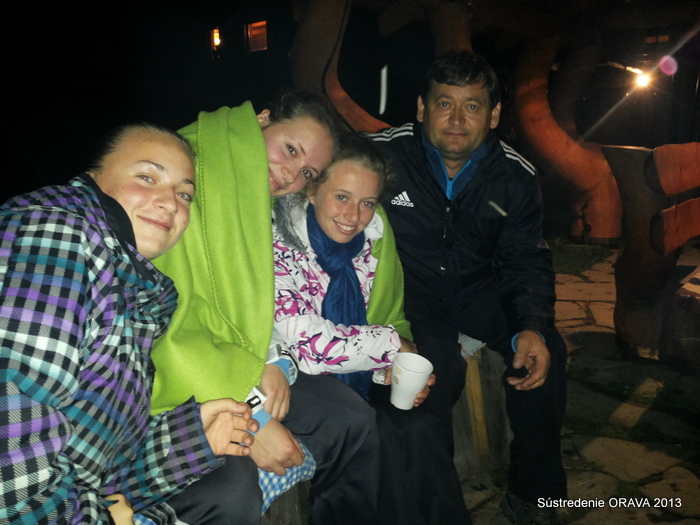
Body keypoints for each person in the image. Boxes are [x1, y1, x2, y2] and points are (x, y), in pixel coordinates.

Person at [0, 124, 257, 524]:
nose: (170, 203)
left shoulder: (132, 292)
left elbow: (96, 469)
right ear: (92, 177)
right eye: (147, 177)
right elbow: (10, 473)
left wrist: (191, 438)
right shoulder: (55, 233)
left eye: (184, 194)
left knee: (231, 483)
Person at [150, 91, 382, 524]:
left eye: (307, 171)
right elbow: (171, 327)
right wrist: (253, 412)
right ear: (261, 119)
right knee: (233, 485)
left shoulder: (255, 199)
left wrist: (269, 359)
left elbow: (246, 310)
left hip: (239, 362)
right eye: (291, 149)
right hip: (179, 379)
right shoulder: (187, 172)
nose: (291, 174)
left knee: (351, 418)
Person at [368, 52, 568, 525]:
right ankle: (433, 507)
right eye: (444, 103)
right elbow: (316, 169)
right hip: (413, 297)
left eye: (472, 106)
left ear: (493, 115)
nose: (457, 119)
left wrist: (530, 325)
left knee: (544, 353)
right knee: (431, 375)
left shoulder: (515, 175)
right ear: (422, 108)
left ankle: (534, 493)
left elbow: (524, 259)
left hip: (482, 294)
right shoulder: (384, 155)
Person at [271, 132, 471, 525]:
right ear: (312, 190)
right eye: (341, 197)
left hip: (356, 372)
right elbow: (309, 346)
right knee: (376, 434)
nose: (354, 216)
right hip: (295, 375)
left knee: (420, 429)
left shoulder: (374, 236)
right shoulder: (280, 241)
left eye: (367, 202)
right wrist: (395, 346)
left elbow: (388, 316)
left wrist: (393, 369)